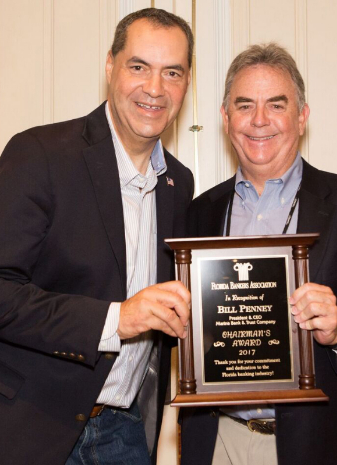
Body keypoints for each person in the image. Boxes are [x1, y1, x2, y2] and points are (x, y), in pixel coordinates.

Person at [180, 43, 337, 465]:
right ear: (226, 119)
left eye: (276, 105)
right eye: (244, 106)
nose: (259, 120)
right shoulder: (199, 213)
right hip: (220, 441)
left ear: (301, 116)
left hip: (330, 445)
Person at [0, 8, 194, 465]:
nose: (155, 88)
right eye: (138, 67)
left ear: (187, 83)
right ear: (110, 66)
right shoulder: (40, 154)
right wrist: (115, 319)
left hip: (125, 432)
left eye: (172, 72)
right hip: (30, 429)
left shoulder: (180, 184)